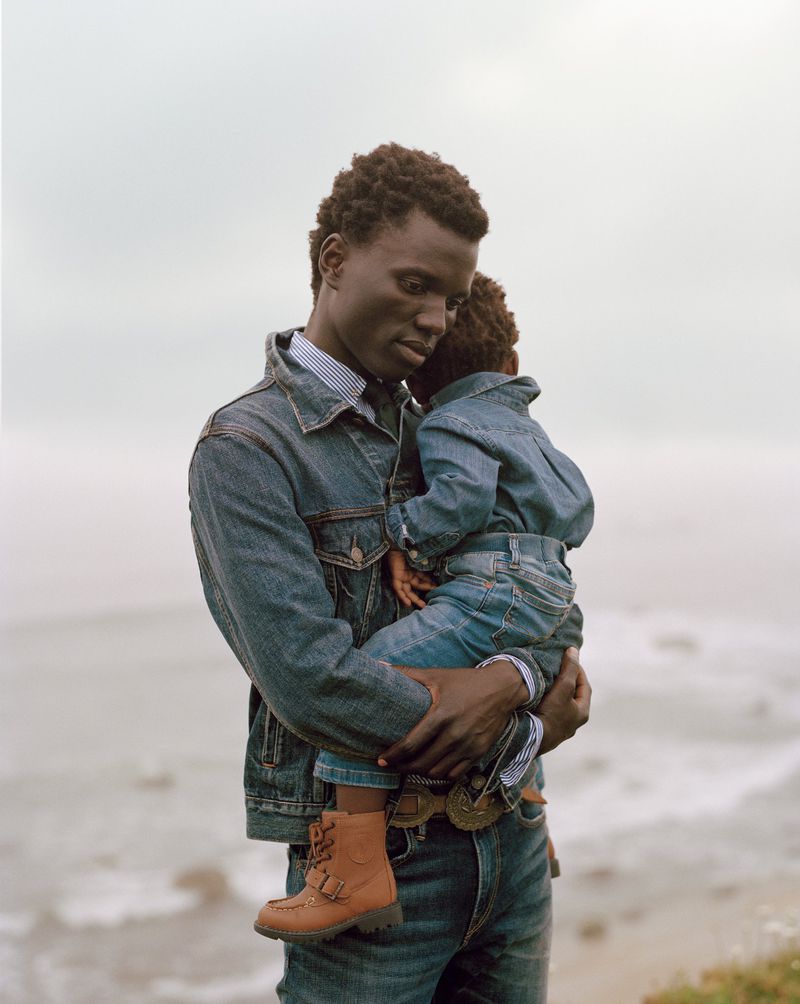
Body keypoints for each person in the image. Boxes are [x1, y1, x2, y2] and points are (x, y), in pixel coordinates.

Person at [189, 143, 591, 1004]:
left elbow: (536, 590)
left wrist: (516, 678)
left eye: (449, 297)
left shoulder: (457, 422)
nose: (437, 318)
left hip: (515, 841)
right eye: (414, 284)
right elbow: (312, 681)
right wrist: (515, 721)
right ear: (335, 260)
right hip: (380, 876)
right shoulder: (249, 451)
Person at [255, 272, 594, 944]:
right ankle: (520, 799)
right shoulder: (530, 430)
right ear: (513, 364)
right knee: (532, 673)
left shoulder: (447, 423)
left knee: (373, 669)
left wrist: (402, 533)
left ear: (419, 384)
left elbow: (461, 501)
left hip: (498, 582)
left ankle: (354, 872)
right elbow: (578, 508)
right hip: (552, 578)